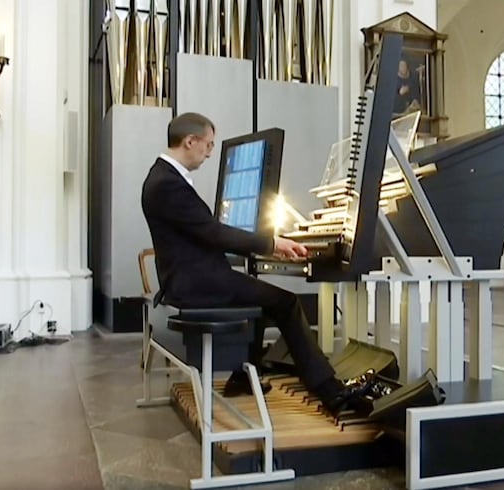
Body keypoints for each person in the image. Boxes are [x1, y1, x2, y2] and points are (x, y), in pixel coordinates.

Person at [141, 112, 349, 416]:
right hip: (196, 284)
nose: (211, 152)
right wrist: (272, 244)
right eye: (208, 145)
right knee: (286, 303)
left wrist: (264, 247)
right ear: (190, 141)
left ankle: (242, 377)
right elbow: (213, 232)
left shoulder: (161, 177)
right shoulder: (166, 184)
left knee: (260, 296)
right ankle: (330, 391)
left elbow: (202, 233)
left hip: (191, 277)